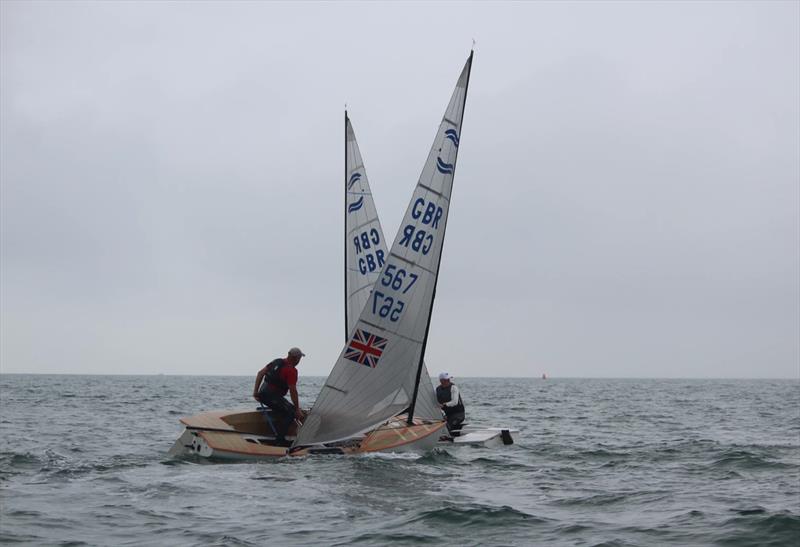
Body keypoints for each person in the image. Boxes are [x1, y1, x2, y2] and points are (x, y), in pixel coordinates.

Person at [253, 347, 305, 444]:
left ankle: (278, 432)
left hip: (263, 394)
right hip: (271, 397)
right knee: (291, 412)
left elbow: (260, 373)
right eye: (299, 359)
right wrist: (297, 409)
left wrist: (255, 392)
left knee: (285, 408)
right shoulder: (291, 371)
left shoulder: (277, 362)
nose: (299, 361)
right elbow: (293, 391)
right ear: (296, 358)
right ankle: (280, 440)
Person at [436, 372, 465, 436]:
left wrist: (445, 405)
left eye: (449, 379)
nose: (448, 381)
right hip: (448, 415)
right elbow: (437, 402)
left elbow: (455, 402)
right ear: (441, 381)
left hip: (458, 414)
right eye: (446, 379)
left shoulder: (454, 388)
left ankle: (451, 436)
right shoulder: (438, 389)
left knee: (449, 426)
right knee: (441, 426)